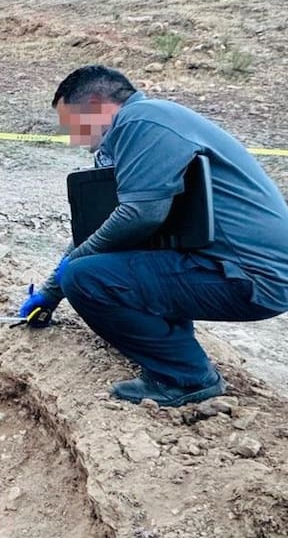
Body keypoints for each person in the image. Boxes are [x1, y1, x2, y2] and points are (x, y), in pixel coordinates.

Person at [19, 65, 288, 406]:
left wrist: (65, 275)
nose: (73, 138)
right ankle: (176, 357)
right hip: (226, 266)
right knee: (102, 266)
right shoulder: (137, 132)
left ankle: (186, 379)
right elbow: (103, 228)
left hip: (252, 276)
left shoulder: (142, 122)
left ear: (99, 105)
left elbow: (140, 216)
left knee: (85, 277)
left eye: (73, 124)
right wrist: (49, 292)